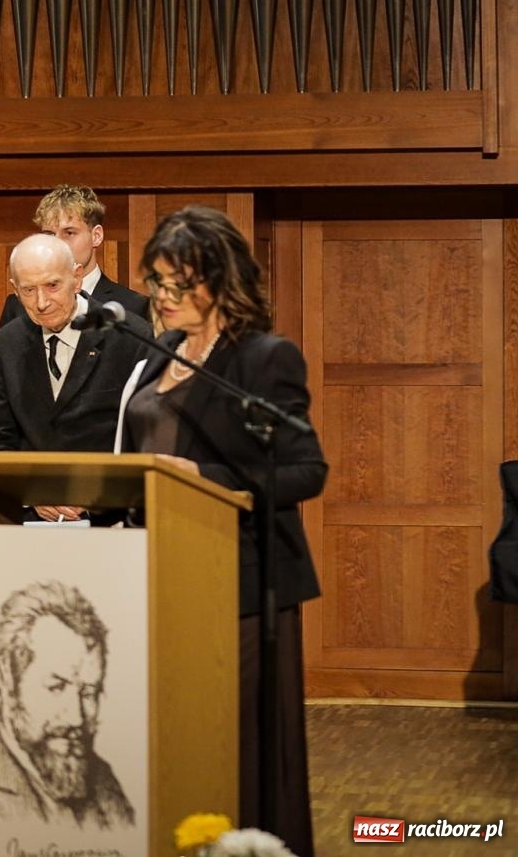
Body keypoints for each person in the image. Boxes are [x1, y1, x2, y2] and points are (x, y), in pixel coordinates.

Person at [115, 205, 325, 855]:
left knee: (237, 748)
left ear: (220, 278)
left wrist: (200, 476)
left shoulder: (263, 358)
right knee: (175, 745)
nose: (163, 295)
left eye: (180, 281)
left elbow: (305, 470)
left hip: (238, 583)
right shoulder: (161, 354)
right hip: (161, 580)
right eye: (157, 280)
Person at [0, 234, 148, 522]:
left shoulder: (129, 336)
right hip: (33, 522)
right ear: (15, 290)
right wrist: (32, 494)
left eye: (52, 285)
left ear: (77, 277)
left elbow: (145, 442)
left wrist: (96, 497)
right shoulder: (9, 342)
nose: (41, 302)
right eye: (28, 290)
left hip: (110, 522)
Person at [0, 580, 134, 829]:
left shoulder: (105, 784)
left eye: (89, 692)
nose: (76, 718)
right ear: (7, 676)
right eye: (56, 687)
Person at [0, 186, 148, 329]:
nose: (57, 243)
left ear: (96, 236)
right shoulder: (18, 307)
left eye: (69, 233)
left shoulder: (132, 306)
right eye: (49, 235)